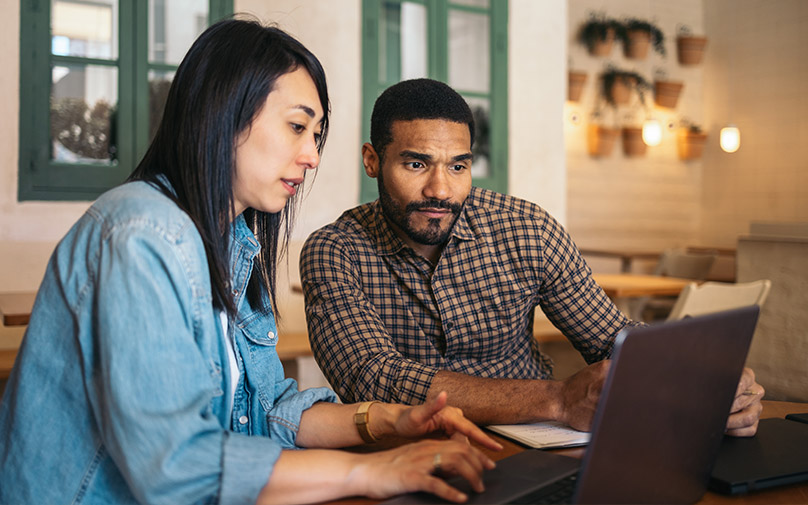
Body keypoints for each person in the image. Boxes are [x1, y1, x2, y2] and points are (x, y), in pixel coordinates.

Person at [0, 22, 503, 505]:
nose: (312, 157)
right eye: (297, 127)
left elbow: (267, 410)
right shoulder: (142, 235)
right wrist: (373, 470)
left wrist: (391, 421)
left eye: (317, 135)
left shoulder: (232, 241)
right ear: (224, 114)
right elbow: (174, 466)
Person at [300, 78, 764, 436]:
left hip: (534, 444)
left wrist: (702, 380)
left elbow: (612, 339)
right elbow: (374, 378)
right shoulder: (334, 251)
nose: (440, 190)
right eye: (416, 164)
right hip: (406, 452)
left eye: (458, 166)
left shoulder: (526, 229)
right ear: (372, 160)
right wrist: (559, 400)